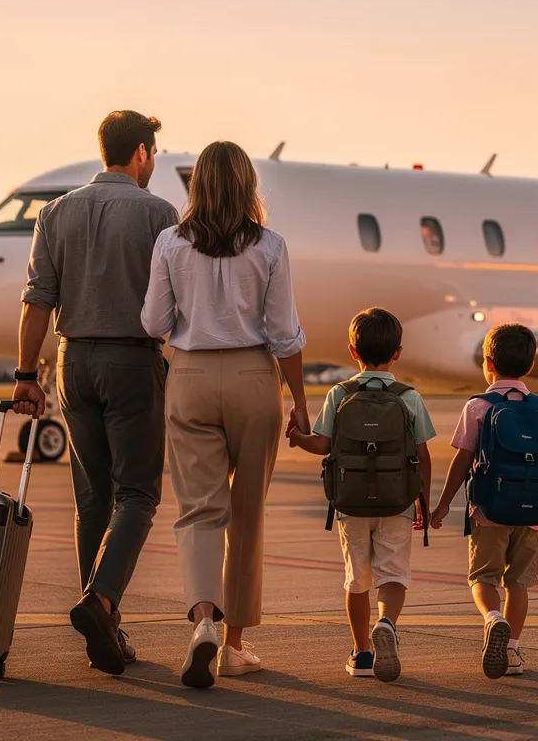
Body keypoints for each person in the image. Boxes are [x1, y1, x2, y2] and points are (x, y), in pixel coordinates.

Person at [14, 110, 177, 676]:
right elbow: (173, 299)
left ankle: (104, 629)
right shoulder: (159, 214)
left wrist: (25, 376)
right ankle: (100, 599)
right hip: (131, 360)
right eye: (152, 154)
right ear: (139, 153)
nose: (153, 163)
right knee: (139, 495)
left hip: (72, 361)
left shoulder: (55, 212)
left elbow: (37, 300)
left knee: (93, 499)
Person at [141, 141, 308, 689]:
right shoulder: (271, 246)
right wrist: (301, 402)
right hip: (253, 378)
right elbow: (284, 334)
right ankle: (234, 645)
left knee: (198, 511)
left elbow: (152, 321)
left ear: (197, 185)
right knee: (247, 514)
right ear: (247, 184)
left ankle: (204, 623)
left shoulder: (170, 242)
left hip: (188, 375)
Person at [287, 308, 435, 682]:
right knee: (394, 575)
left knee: (357, 579)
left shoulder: (340, 393)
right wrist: (422, 499)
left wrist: (297, 438)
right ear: (397, 353)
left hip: (351, 503)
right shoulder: (409, 397)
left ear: (352, 350)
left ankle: (363, 654)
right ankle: (386, 623)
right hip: (397, 501)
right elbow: (422, 454)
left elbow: (322, 445)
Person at [431, 323, 538, 679]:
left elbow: (462, 460)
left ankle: (492, 618)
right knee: (519, 583)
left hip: (489, 512)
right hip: (534, 514)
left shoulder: (478, 407)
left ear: (488, 362)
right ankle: (512, 650)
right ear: (530, 366)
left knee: (483, 577)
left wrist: (442, 506)